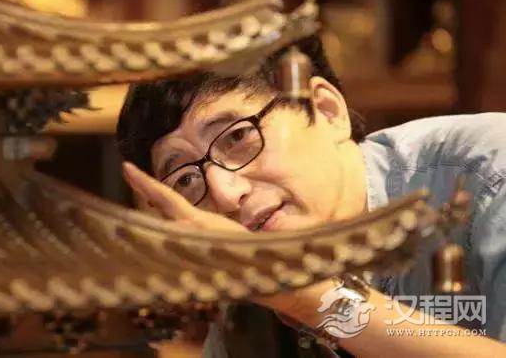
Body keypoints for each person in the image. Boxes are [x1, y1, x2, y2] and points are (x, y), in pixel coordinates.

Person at [116, 35, 506, 357]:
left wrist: (314, 300)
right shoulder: (254, 291)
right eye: (185, 179)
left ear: (326, 109)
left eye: (237, 137)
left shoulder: (488, 172)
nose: (225, 194)